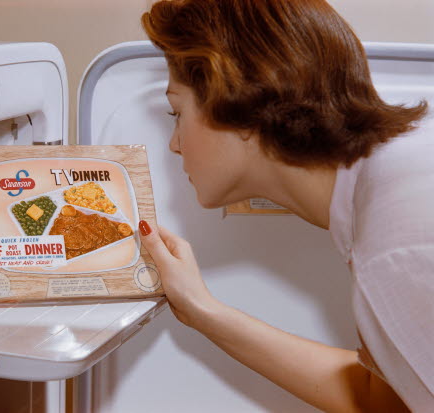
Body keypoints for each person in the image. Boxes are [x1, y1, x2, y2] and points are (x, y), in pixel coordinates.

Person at [137, 0, 434, 411]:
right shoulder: (392, 186)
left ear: (233, 98)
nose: (174, 144)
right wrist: (202, 311)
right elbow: (381, 397)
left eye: (177, 112)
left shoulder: (395, 244)